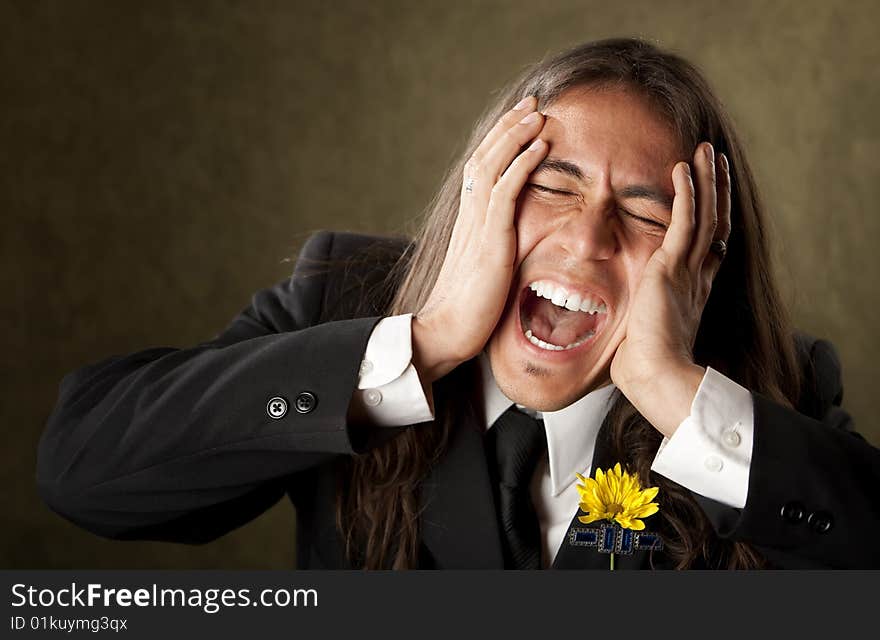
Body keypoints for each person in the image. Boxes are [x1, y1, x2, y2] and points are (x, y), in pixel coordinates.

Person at [37, 38, 880, 570]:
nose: (588, 239)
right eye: (552, 185)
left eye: (646, 212)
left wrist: (668, 385)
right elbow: (82, 472)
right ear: (484, 195)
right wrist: (428, 342)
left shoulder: (764, 397)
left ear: (701, 257)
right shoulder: (339, 300)